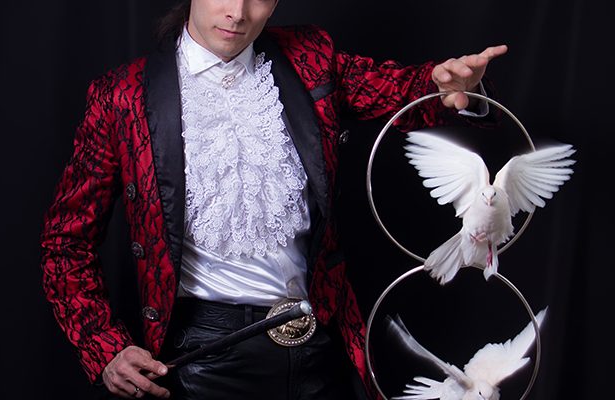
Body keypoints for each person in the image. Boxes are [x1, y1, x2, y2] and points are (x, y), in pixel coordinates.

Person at [40, 0, 506, 398]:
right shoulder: (121, 97)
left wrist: (447, 86)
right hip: (204, 359)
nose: (238, 13)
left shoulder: (309, 58)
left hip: (319, 348)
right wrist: (103, 346)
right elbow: (65, 242)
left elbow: (400, 89)